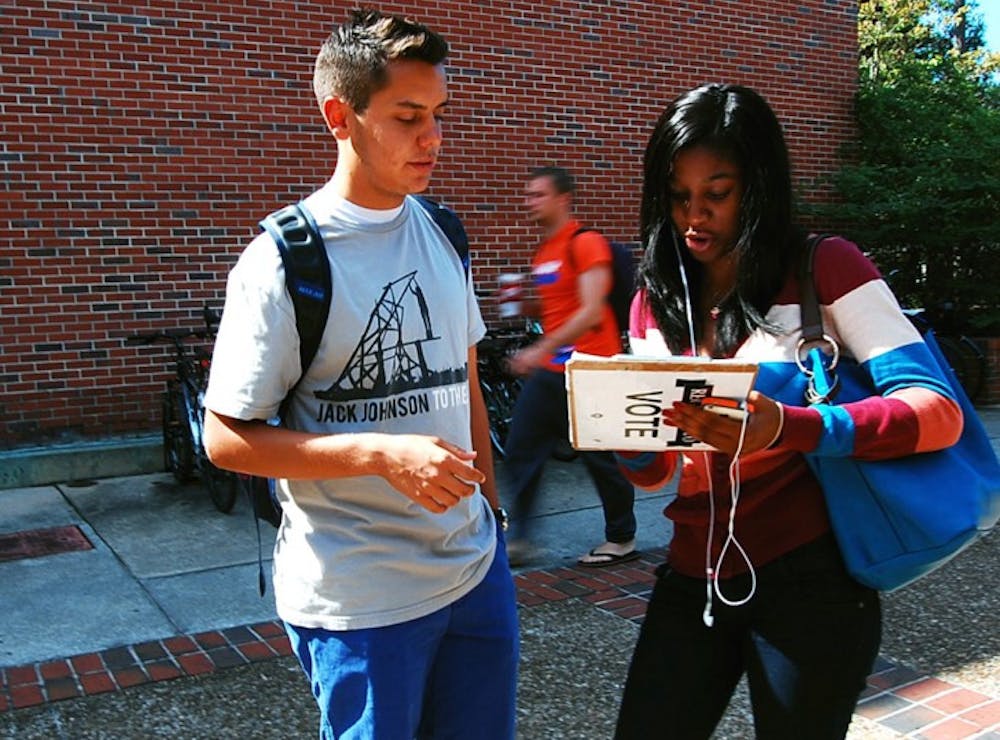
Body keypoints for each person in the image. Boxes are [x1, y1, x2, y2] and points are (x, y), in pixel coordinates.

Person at [202, 10, 517, 739]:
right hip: (359, 606)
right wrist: (377, 453)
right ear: (339, 114)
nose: (433, 137)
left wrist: (493, 527)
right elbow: (224, 438)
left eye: (439, 114)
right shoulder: (284, 260)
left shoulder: (444, 232)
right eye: (409, 116)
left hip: (474, 577)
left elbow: (463, 383)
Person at [613, 83, 963, 738]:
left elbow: (938, 411)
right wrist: (624, 438)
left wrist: (788, 426)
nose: (695, 216)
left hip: (815, 586)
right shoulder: (653, 301)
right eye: (679, 195)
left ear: (762, 185)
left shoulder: (825, 268)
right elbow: (661, 474)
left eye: (717, 193)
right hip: (693, 577)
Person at [502, 166, 637, 567]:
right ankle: (521, 540)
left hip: (589, 370)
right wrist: (523, 306)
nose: (530, 202)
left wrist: (537, 348)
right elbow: (559, 309)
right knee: (520, 450)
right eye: (528, 195)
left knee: (600, 457)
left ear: (562, 199)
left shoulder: (586, 242)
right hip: (552, 371)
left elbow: (591, 309)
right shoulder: (544, 252)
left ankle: (622, 538)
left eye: (538, 195)